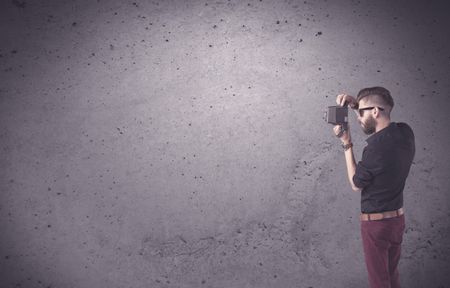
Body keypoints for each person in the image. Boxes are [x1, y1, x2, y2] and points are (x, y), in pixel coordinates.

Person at [333, 87, 415, 288]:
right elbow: (376, 128)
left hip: (376, 226)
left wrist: (347, 142)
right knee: (391, 276)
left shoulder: (374, 150)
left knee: (379, 282)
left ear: (376, 111)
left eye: (361, 112)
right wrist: (355, 106)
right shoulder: (406, 132)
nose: (359, 117)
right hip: (397, 220)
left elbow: (355, 183)